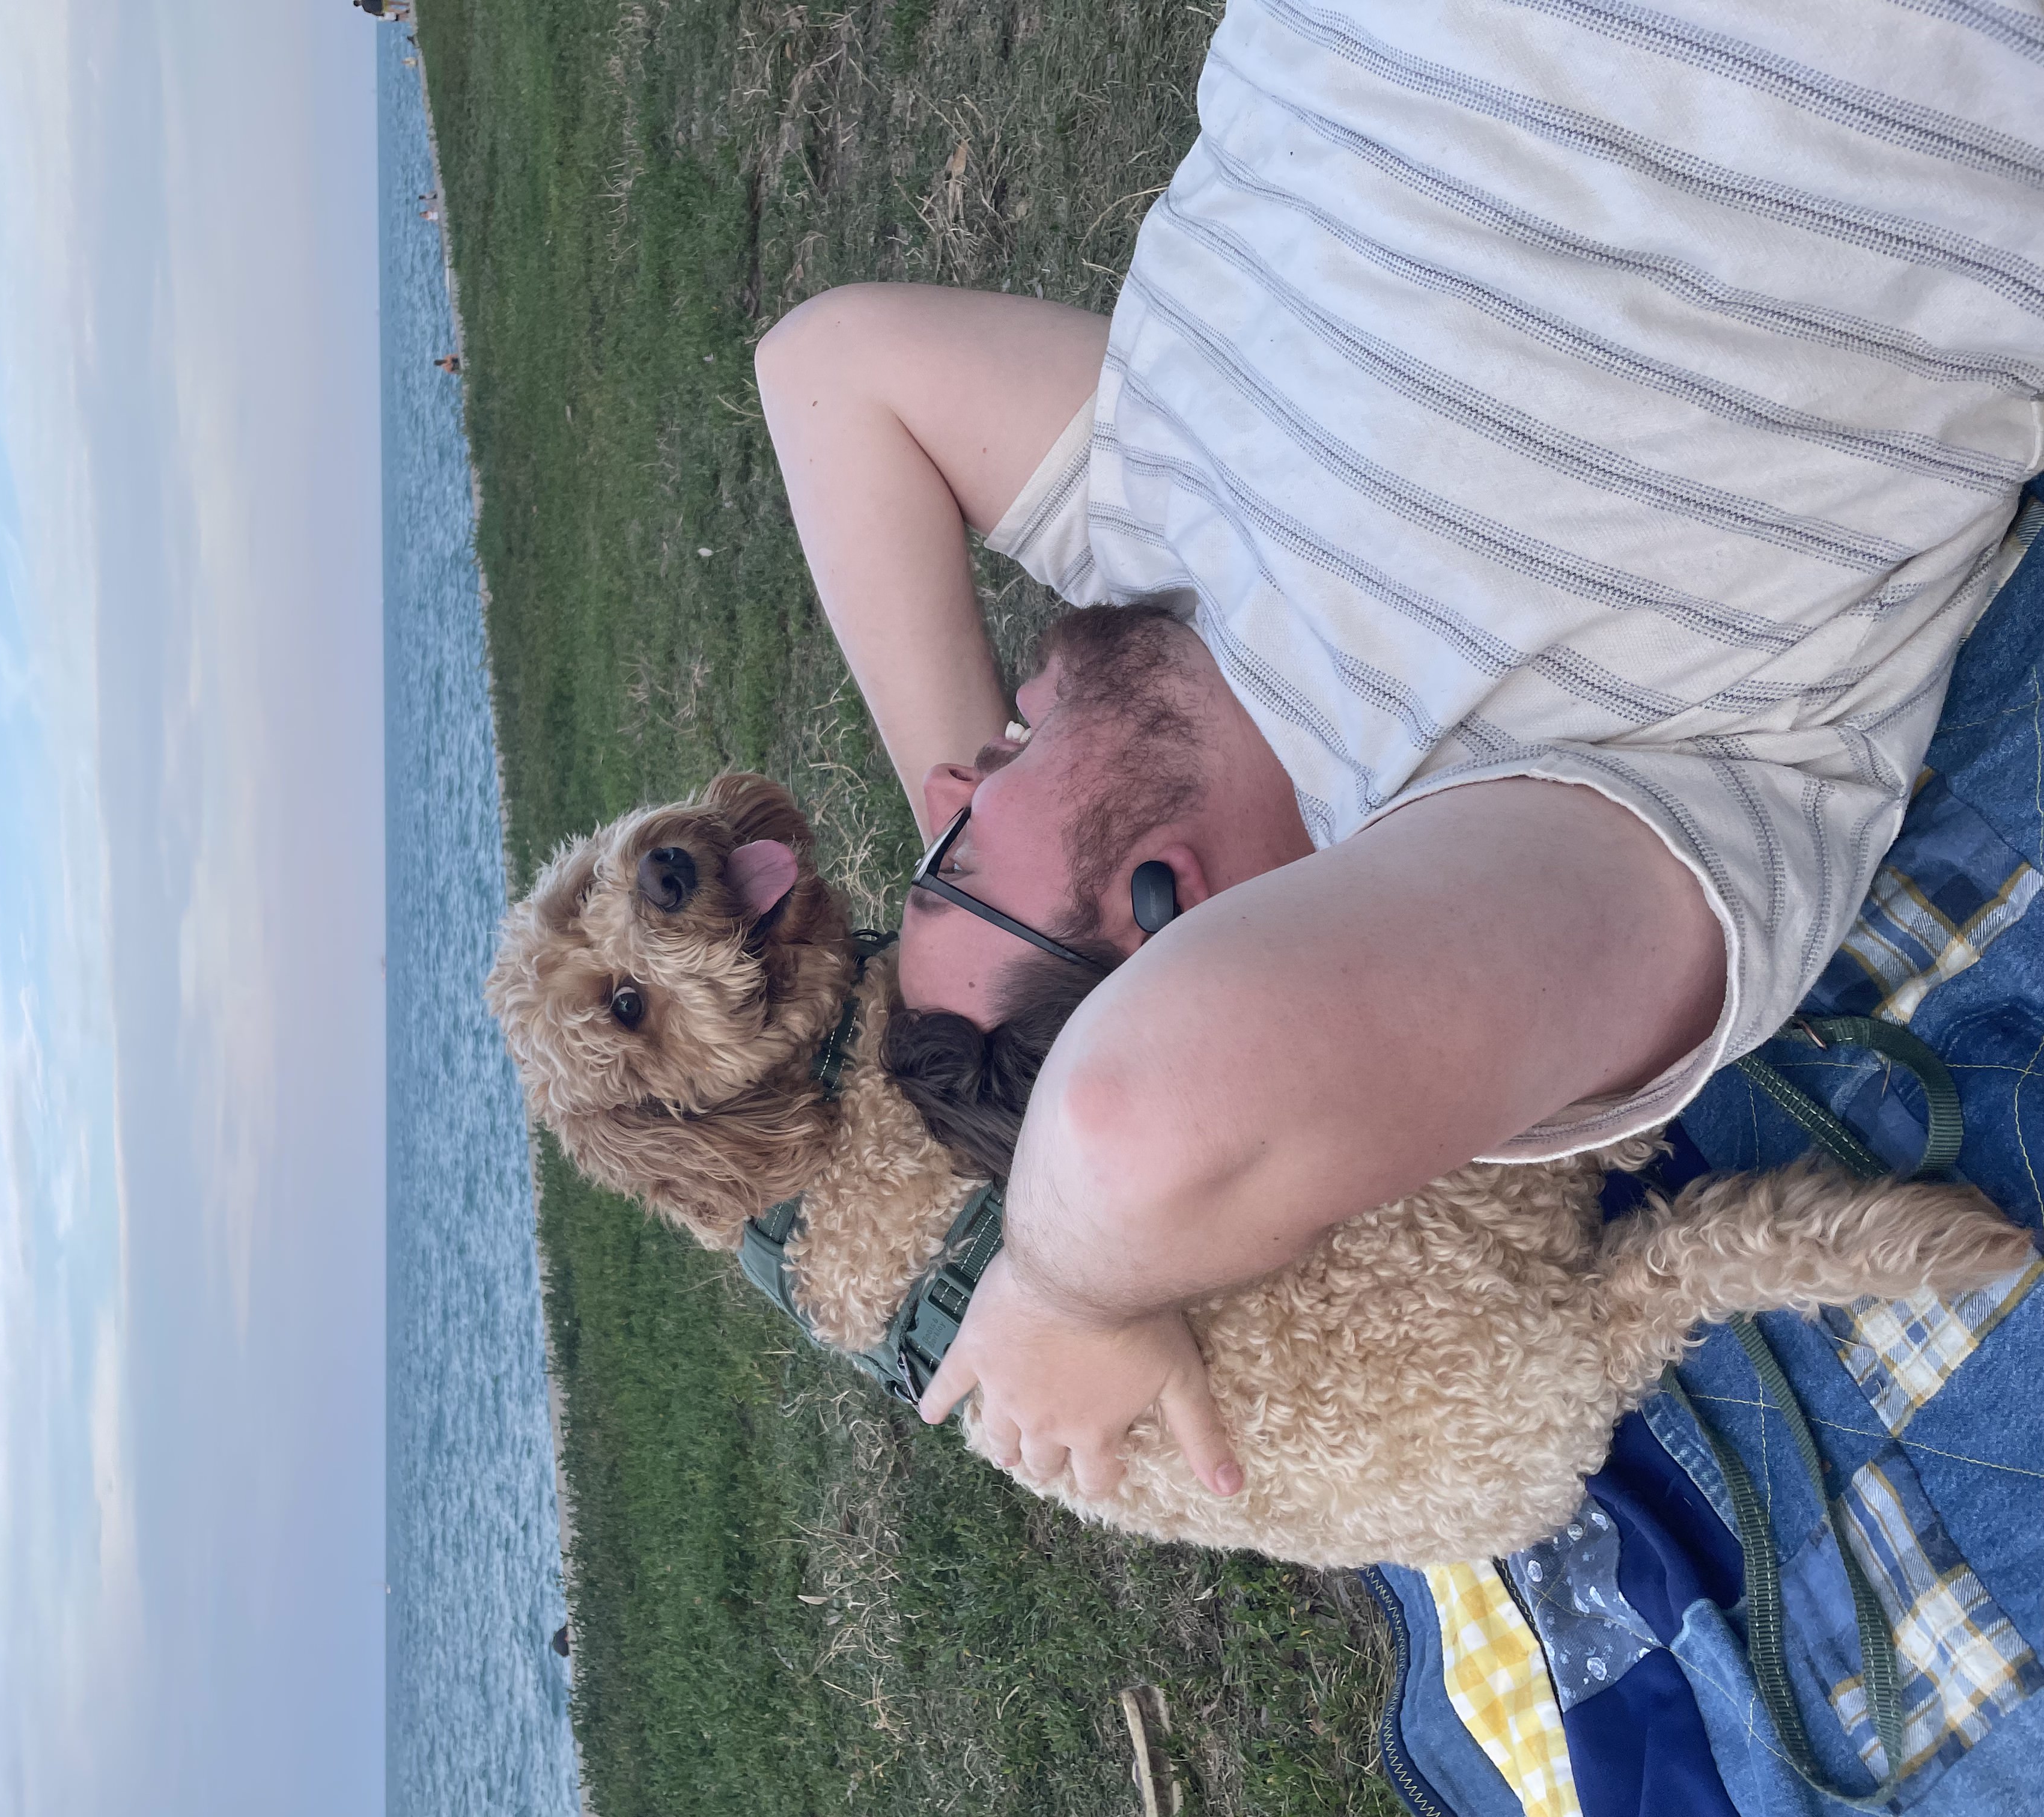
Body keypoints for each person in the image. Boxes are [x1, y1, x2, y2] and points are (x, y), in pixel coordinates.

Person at [753, 0, 2044, 1506]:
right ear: (1173, 922)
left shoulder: (1139, 547)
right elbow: (1136, 1118)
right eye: (958, 854)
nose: (952, 778)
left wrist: (1005, 786)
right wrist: (1064, 1294)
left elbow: (828, 371)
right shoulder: (1517, 838)